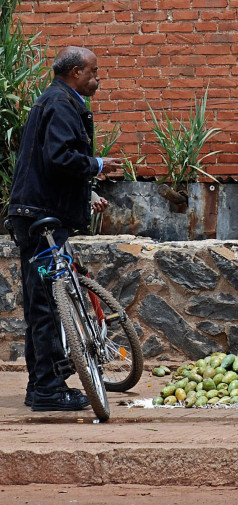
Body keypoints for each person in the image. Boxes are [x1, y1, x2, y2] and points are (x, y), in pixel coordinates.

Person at [6, 46, 123, 411]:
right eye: (94, 72)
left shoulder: (55, 100)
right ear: (75, 72)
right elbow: (59, 158)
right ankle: (48, 390)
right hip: (40, 219)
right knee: (46, 306)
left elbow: (45, 163)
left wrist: (84, 190)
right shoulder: (59, 104)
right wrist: (97, 164)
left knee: (43, 303)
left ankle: (40, 385)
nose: (97, 78)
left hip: (38, 214)